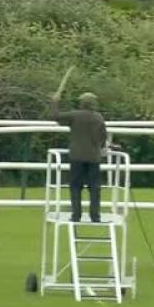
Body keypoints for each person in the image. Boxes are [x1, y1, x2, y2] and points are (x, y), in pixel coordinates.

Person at [51, 90, 107, 223]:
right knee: (94, 188)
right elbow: (103, 137)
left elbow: (55, 116)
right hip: (93, 157)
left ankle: (76, 215)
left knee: (75, 186)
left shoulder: (74, 116)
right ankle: (95, 216)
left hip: (76, 156)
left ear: (81, 103)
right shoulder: (98, 117)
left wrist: (54, 102)